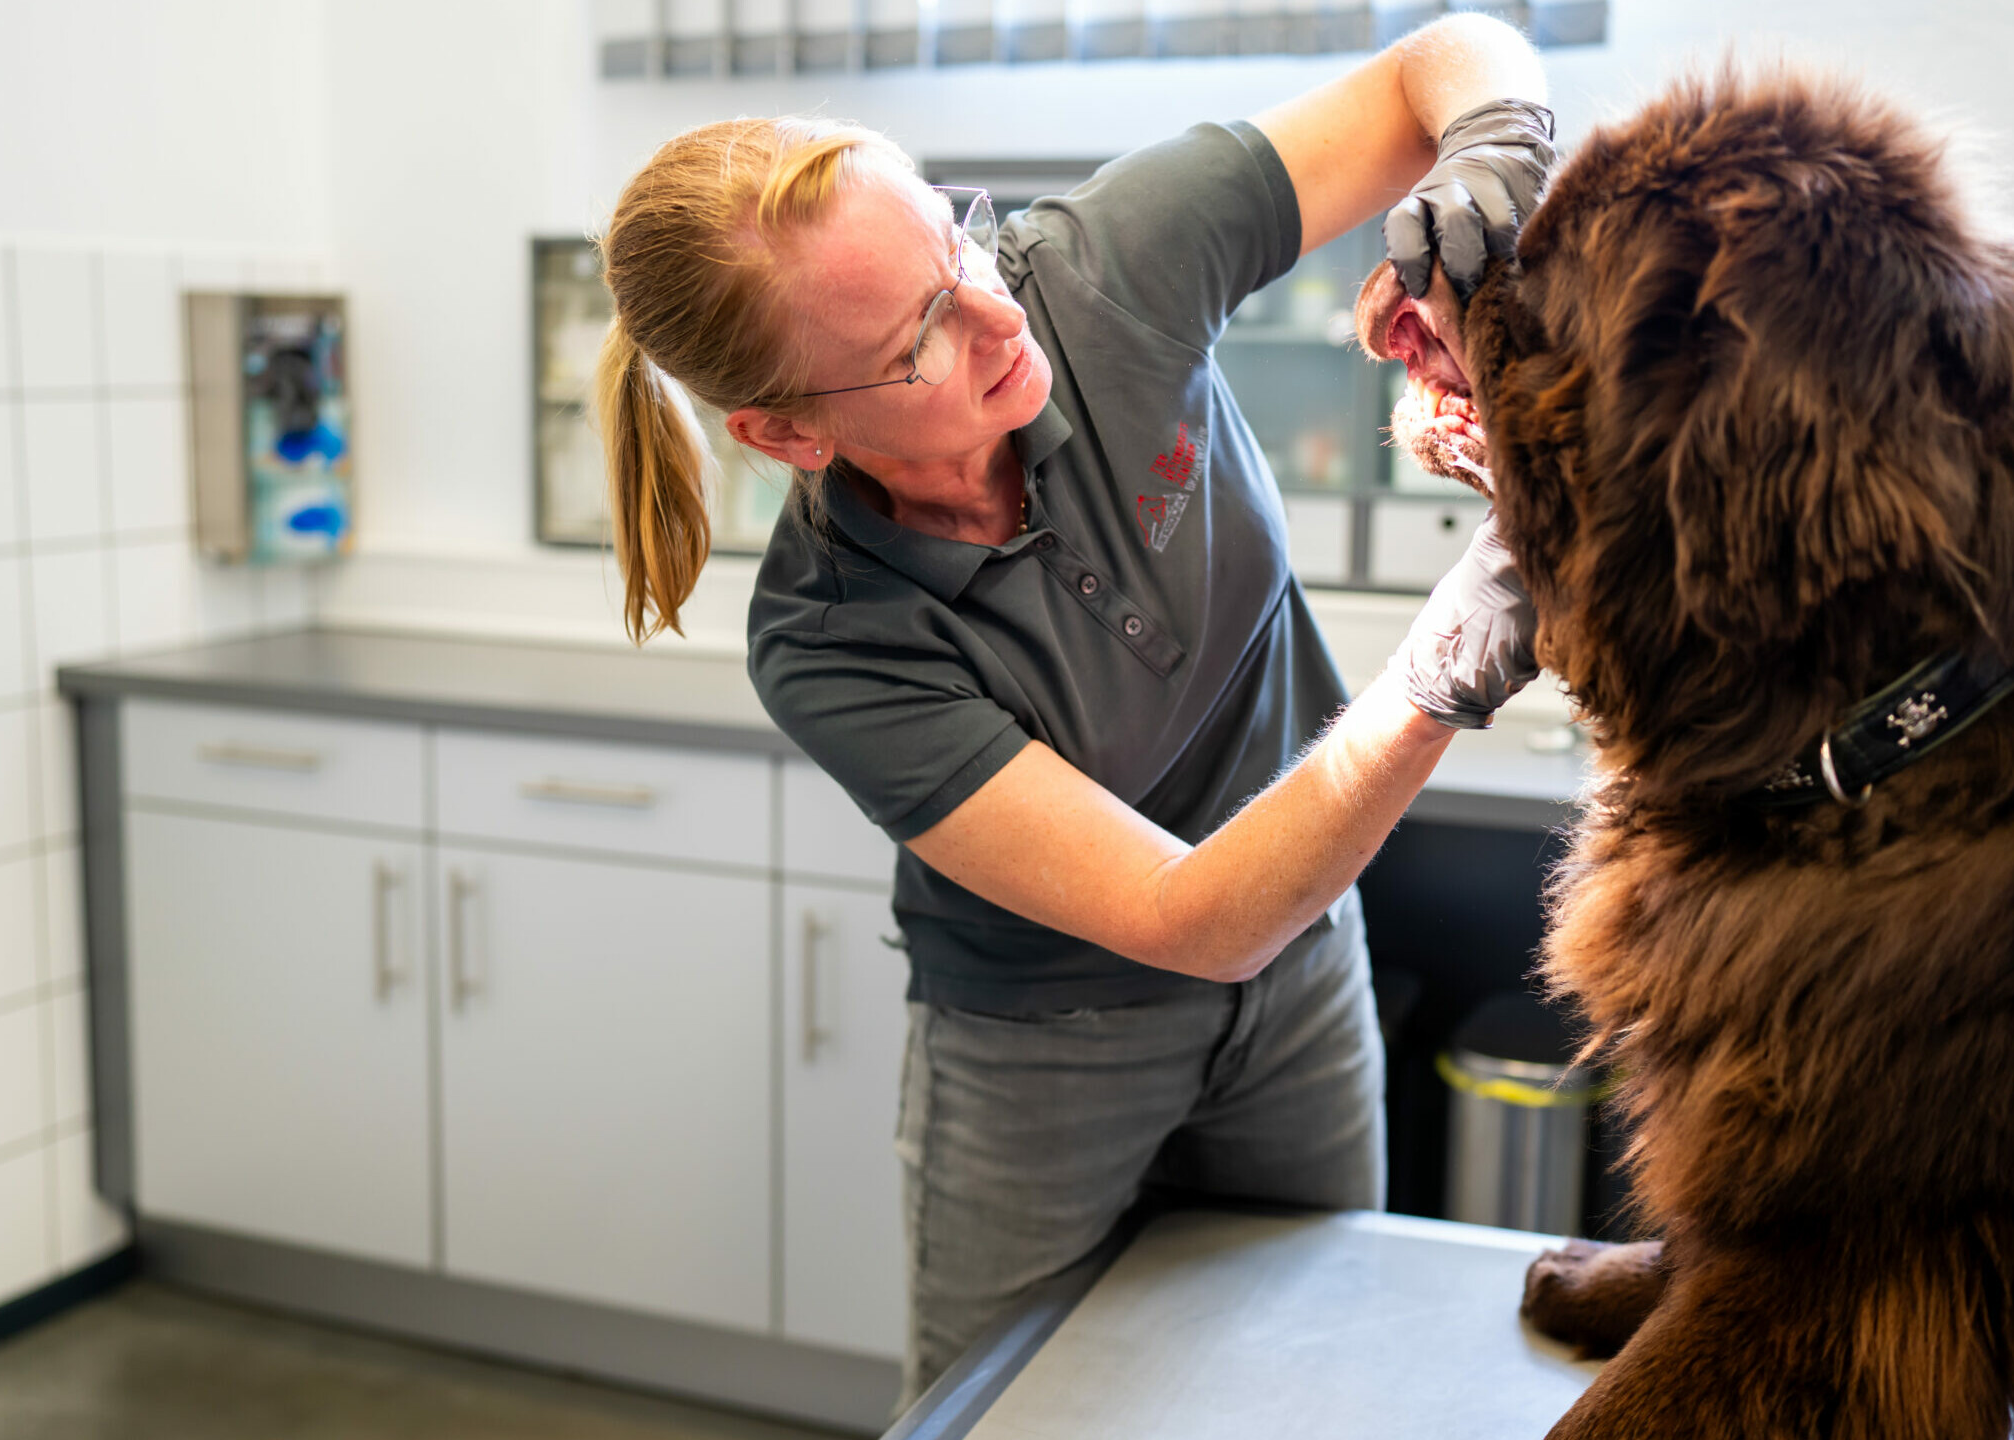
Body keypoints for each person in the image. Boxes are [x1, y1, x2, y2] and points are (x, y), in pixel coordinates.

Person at [596, 14, 1555, 1405]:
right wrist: (1436, 673)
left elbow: (1444, 59)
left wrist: (1493, 145)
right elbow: (1191, 918)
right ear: (789, 433)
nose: (1000, 318)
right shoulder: (833, 637)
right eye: (919, 339)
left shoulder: (1099, 272)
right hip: (1041, 1050)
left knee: (1308, 1371)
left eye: (959, 242)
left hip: (1301, 977)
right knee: (1011, 1409)